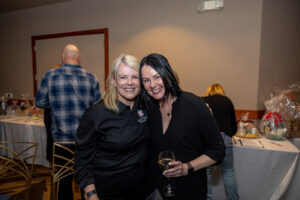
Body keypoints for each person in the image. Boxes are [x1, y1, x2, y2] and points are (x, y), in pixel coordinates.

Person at [139, 53, 225, 200]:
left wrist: (186, 168)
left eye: (157, 76)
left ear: (168, 75)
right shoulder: (149, 109)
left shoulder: (194, 105)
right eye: (146, 80)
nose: (152, 85)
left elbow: (218, 151)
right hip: (157, 189)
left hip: (190, 189)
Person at [75, 54, 149, 200]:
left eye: (135, 77)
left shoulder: (145, 105)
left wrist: (200, 106)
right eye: (123, 77)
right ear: (114, 81)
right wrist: (91, 194)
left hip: (141, 190)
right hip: (106, 191)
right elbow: (82, 161)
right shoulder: (96, 114)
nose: (130, 83)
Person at [35, 44, 101, 200]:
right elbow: (99, 109)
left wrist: (57, 102)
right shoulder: (91, 77)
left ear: (62, 56)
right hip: (85, 142)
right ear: (79, 57)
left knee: (63, 182)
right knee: (87, 181)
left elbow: (40, 102)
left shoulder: (49, 76)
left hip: (61, 143)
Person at [202, 83, 239, 200]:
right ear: (221, 91)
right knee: (228, 172)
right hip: (224, 137)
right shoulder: (226, 101)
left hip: (206, 139)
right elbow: (234, 126)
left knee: (206, 172)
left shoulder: (202, 100)